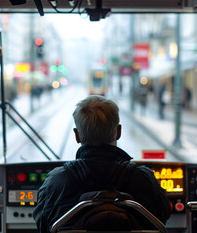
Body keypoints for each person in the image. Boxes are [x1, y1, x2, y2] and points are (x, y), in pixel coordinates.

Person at [33, 95, 171, 233]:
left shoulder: (56, 182)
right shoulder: (145, 179)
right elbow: (162, 218)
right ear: (118, 132)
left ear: (77, 135)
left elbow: (43, 226)